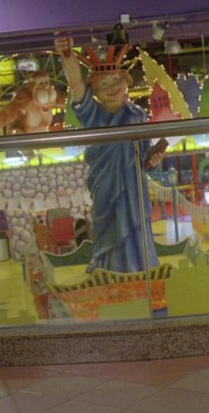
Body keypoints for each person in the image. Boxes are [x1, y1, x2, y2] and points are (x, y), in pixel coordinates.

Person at [54, 37, 162, 273]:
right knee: (107, 226)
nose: (112, 87)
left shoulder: (136, 114)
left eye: (115, 80)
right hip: (105, 183)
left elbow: (145, 153)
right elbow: (76, 83)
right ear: (94, 91)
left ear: (125, 81)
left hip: (133, 184)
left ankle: (141, 267)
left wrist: (153, 160)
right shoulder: (92, 114)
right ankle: (110, 268)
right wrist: (67, 56)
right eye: (103, 84)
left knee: (137, 224)